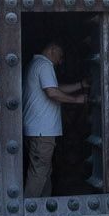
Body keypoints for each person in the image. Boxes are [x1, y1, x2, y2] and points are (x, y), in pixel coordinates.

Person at [23, 37, 87, 200]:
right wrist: (76, 100)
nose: (60, 61)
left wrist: (80, 85)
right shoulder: (45, 65)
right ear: (53, 49)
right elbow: (52, 92)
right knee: (39, 172)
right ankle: (29, 210)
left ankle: (43, 207)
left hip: (36, 130)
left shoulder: (35, 64)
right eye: (60, 56)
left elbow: (55, 87)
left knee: (44, 171)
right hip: (42, 131)